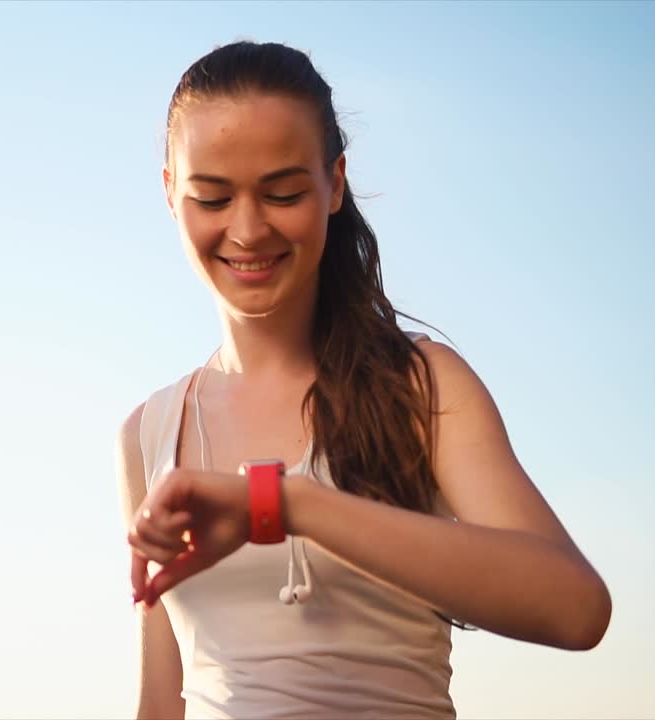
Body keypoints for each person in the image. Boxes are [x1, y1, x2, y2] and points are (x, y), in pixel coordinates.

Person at [115, 41, 612, 719]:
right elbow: (160, 701)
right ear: (171, 191)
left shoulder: (421, 385)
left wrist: (287, 505)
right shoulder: (149, 433)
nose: (249, 229)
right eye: (213, 196)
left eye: (284, 193)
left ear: (335, 184)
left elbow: (575, 607)